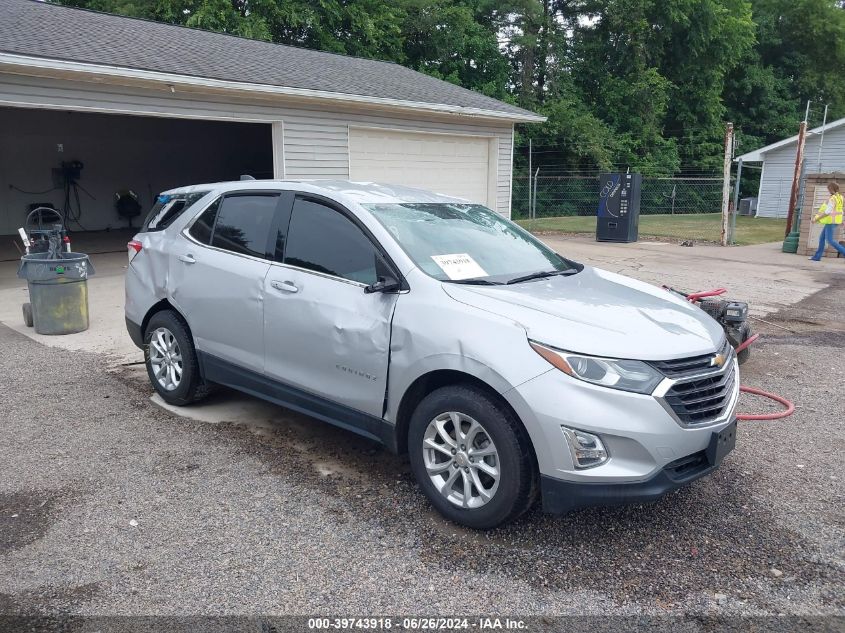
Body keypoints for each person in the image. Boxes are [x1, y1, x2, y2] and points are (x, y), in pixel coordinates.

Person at [809, 181, 845, 261]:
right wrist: (842, 220)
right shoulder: (841, 197)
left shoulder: (832, 199)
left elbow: (827, 212)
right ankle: (817, 257)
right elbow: (841, 210)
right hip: (835, 221)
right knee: (822, 238)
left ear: (831, 189)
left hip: (830, 221)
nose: (828, 190)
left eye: (828, 189)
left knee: (830, 240)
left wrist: (816, 219)